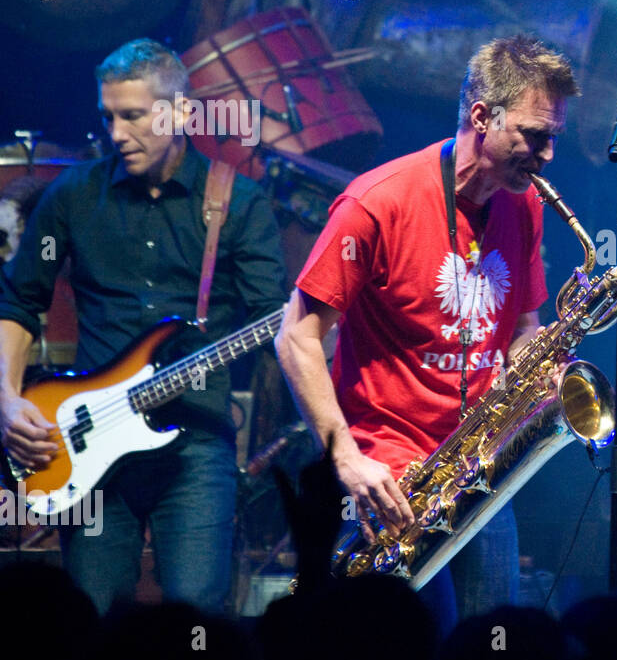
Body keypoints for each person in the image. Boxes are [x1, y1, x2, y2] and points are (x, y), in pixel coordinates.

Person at [275, 34, 578, 626]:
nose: (546, 156)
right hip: (388, 477)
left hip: (482, 467)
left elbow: (521, 326)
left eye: (553, 140)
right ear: (482, 117)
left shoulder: (526, 206)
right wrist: (346, 459)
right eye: (534, 136)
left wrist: (539, 367)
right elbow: (296, 337)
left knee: (490, 659)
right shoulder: (375, 203)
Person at [0, 38, 287, 615]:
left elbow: (274, 325)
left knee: (197, 622)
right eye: (108, 117)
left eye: (132, 116)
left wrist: (315, 330)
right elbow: (16, 301)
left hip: (197, 442)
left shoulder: (239, 202)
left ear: (180, 112)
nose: (116, 133)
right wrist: (6, 401)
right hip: (87, 443)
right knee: (93, 615)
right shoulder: (73, 196)